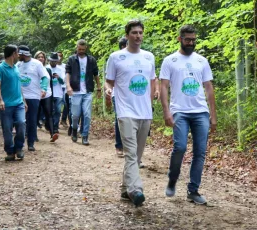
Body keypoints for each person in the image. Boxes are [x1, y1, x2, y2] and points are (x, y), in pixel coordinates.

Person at [160, 25, 217, 205]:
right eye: (187, 40)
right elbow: (163, 87)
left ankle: (193, 191)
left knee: (200, 152)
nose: (191, 43)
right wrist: (166, 111)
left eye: (193, 40)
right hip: (180, 111)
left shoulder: (202, 61)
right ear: (180, 39)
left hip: (200, 111)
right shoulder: (170, 60)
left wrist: (213, 114)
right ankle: (172, 178)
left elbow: (208, 88)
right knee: (181, 147)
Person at [105, 20, 156, 207]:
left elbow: (152, 80)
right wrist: (108, 91)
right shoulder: (116, 57)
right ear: (127, 36)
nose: (138, 36)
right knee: (131, 153)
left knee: (137, 154)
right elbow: (108, 81)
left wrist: (153, 97)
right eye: (134, 32)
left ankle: (125, 189)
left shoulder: (149, 57)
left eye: (141, 32)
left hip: (145, 112)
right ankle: (136, 189)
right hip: (125, 110)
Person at [0, 44, 28, 161]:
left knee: (21, 123)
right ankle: (10, 151)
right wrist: (0, 100)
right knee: (7, 129)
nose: (19, 55)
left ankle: (19, 148)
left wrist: (24, 100)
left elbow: (19, 86)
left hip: (19, 103)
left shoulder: (16, 67)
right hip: (6, 104)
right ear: (13, 54)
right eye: (17, 52)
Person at [66, 39, 101, 145]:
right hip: (75, 91)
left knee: (87, 115)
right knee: (75, 115)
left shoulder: (91, 60)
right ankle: (74, 130)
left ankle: (85, 135)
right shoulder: (72, 59)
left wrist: (99, 88)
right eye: (79, 49)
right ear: (76, 47)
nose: (80, 51)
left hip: (87, 91)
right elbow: (67, 73)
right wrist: (68, 86)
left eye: (82, 49)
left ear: (86, 48)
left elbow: (96, 74)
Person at [17, 45, 50, 151]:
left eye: (19, 54)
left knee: (32, 120)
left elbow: (45, 77)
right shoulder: (18, 65)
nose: (17, 56)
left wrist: (44, 88)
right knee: (20, 120)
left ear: (23, 54)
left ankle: (30, 142)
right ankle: (20, 143)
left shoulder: (37, 64)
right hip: (20, 97)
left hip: (33, 96)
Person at [34, 51, 58, 142]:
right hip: (35, 94)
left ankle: (52, 134)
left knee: (49, 113)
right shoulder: (32, 68)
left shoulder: (48, 70)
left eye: (42, 57)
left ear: (45, 59)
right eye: (39, 57)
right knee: (35, 114)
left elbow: (50, 83)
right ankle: (33, 134)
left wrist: (51, 95)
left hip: (47, 94)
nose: (41, 58)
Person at [47, 52, 65, 134]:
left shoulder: (60, 69)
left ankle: (55, 126)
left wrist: (58, 77)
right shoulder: (46, 68)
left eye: (55, 61)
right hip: (49, 92)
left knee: (58, 110)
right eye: (52, 61)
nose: (53, 62)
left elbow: (62, 82)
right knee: (49, 110)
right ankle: (49, 125)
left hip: (58, 93)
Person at [58, 51, 68, 127]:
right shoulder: (52, 66)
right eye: (58, 56)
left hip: (65, 86)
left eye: (61, 56)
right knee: (57, 105)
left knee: (66, 103)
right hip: (57, 87)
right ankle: (55, 120)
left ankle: (63, 119)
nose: (59, 57)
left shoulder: (65, 66)